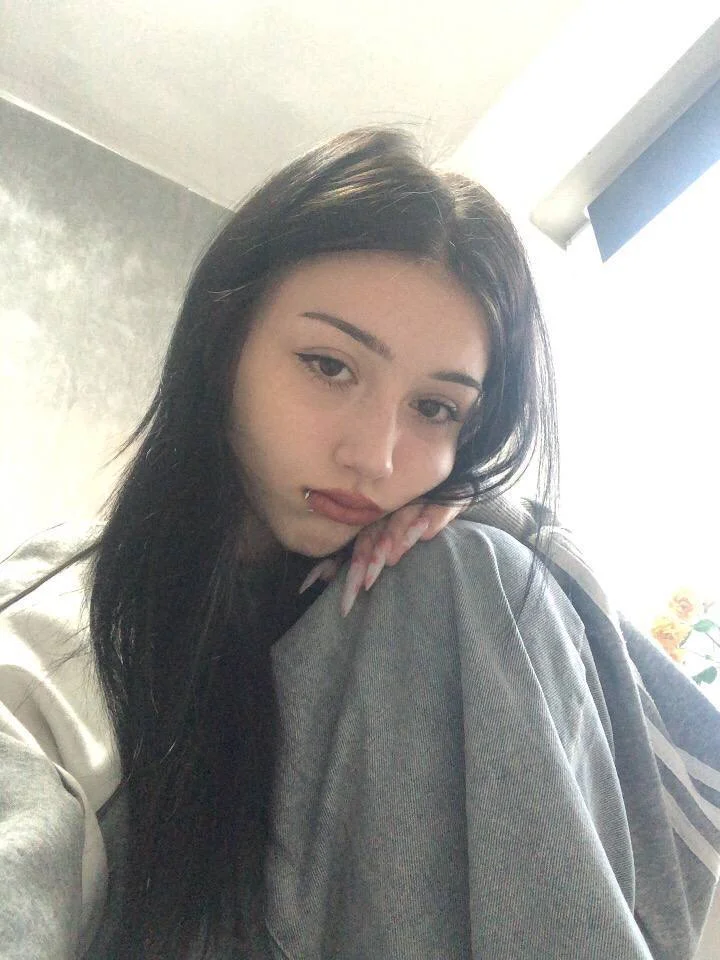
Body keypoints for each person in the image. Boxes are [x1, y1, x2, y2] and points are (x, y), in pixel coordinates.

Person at [0, 127, 718, 960]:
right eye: (329, 366)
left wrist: (489, 513)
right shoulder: (61, 619)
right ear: (223, 341)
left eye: (435, 409)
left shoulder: (450, 572)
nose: (375, 458)